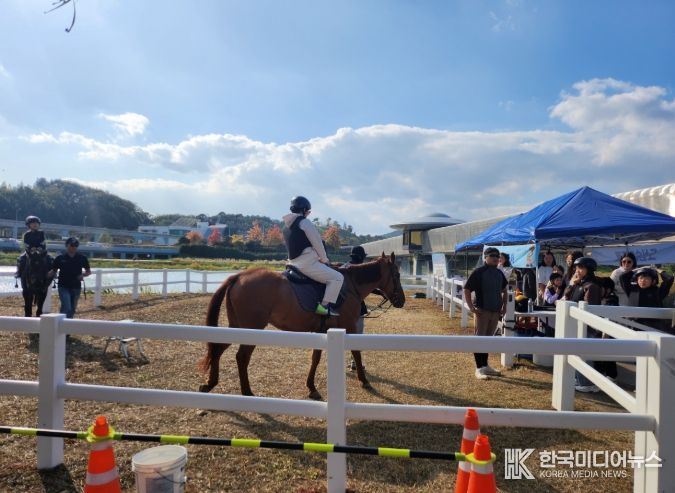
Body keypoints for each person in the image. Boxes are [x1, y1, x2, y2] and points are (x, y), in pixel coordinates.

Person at [282, 196, 344, 316]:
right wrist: (324, 260)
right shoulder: (304, 222)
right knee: (338, 277)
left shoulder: (285, 226)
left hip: (292, 264)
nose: (308, 214)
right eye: (308, 211)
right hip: (307, 264)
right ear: (304, 210)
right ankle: (324, 307)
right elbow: (317, 243)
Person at [463, 247, 507, 380]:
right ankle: (479, 368)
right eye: (492, 255)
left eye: (497, 256)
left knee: (489, 339)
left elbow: (505, 290)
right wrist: (471, 307)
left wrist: (505, 305)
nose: (495, 258)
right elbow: (467, 289)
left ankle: (485, 365)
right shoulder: (479, 272)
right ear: (485, 257)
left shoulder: (499, 273)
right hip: (482, 311)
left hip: (495, 311)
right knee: (479, 338)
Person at [564, 257, 603, 392]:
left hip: (587, 327)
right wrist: (571, 284)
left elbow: (590, 309)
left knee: (583, 354)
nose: (577, 271)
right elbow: (566, 298)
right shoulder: (579, 284)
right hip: (576, 324)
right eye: (576, 268)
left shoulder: (591, 286)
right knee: (576, 352)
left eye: (581, 268)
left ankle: (587, 383)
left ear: (589, 269)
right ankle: (579, 379)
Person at [51, 237, 91, 319]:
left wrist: (82, 275)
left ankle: (66, 324)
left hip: (76, 287)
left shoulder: (82, 258)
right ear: (66, 245)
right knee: (67, 306)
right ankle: (62, 324)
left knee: (72, 309)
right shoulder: (60, 258)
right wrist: (44, 276)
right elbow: (53, 271)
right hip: (63, 286)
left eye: (76, 245)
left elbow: (88, 272)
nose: (74, 247)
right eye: (72, 245)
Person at [344, 245, 369, 370]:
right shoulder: (360, 269)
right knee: (358, 335)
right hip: (356, 309)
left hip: (341, 308)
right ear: (360, 257)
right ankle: (355, 363)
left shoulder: (345, 267)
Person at [15, 216, 48, 280]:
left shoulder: (42, 233)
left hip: (41, 251)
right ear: (28, 225)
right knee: (21, 259)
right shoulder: (27, 234)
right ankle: (19, 272)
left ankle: (51, 273)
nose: (35, 224)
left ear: (39, 224)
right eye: (33, 223)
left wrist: (40, 247)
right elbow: (26, 244)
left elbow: (43, 242)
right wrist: (31, 248)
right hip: (30, 252)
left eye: (36, 223)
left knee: (50, 259)